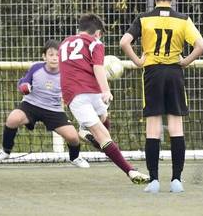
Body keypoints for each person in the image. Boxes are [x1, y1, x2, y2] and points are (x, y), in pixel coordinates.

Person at [120, 0, 203, 193]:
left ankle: (154, 181)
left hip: (152, 74)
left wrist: (139, 61)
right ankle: (176, 180)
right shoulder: (183, 20)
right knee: (176, 126)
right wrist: (185, 61)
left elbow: (124, 42)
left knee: (153, 127)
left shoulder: (144, 18)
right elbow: (202, 46)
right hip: (174, 73)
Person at [59, 13, 150, 185]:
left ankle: (86, 132)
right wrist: (106, 90)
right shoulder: (96, 43)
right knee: (103, 135)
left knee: (103, 120)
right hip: (86, 93)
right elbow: (98, 68)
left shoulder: (65, 43)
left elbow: (68, 68)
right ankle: (130, 171)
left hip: (77, 93)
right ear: (98, 33)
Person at [0, 40, 90, 168]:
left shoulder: (67, 74)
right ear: (44, 56)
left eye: (57, 55)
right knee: (12, 119)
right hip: (31, 105)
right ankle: (5, 151)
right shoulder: (36, 68)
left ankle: (75, 158)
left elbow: (74, 91)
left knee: (73, 138)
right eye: (51, 54)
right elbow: (23, 82)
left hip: (54, 110)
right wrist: (24, 86)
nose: (54, 58)